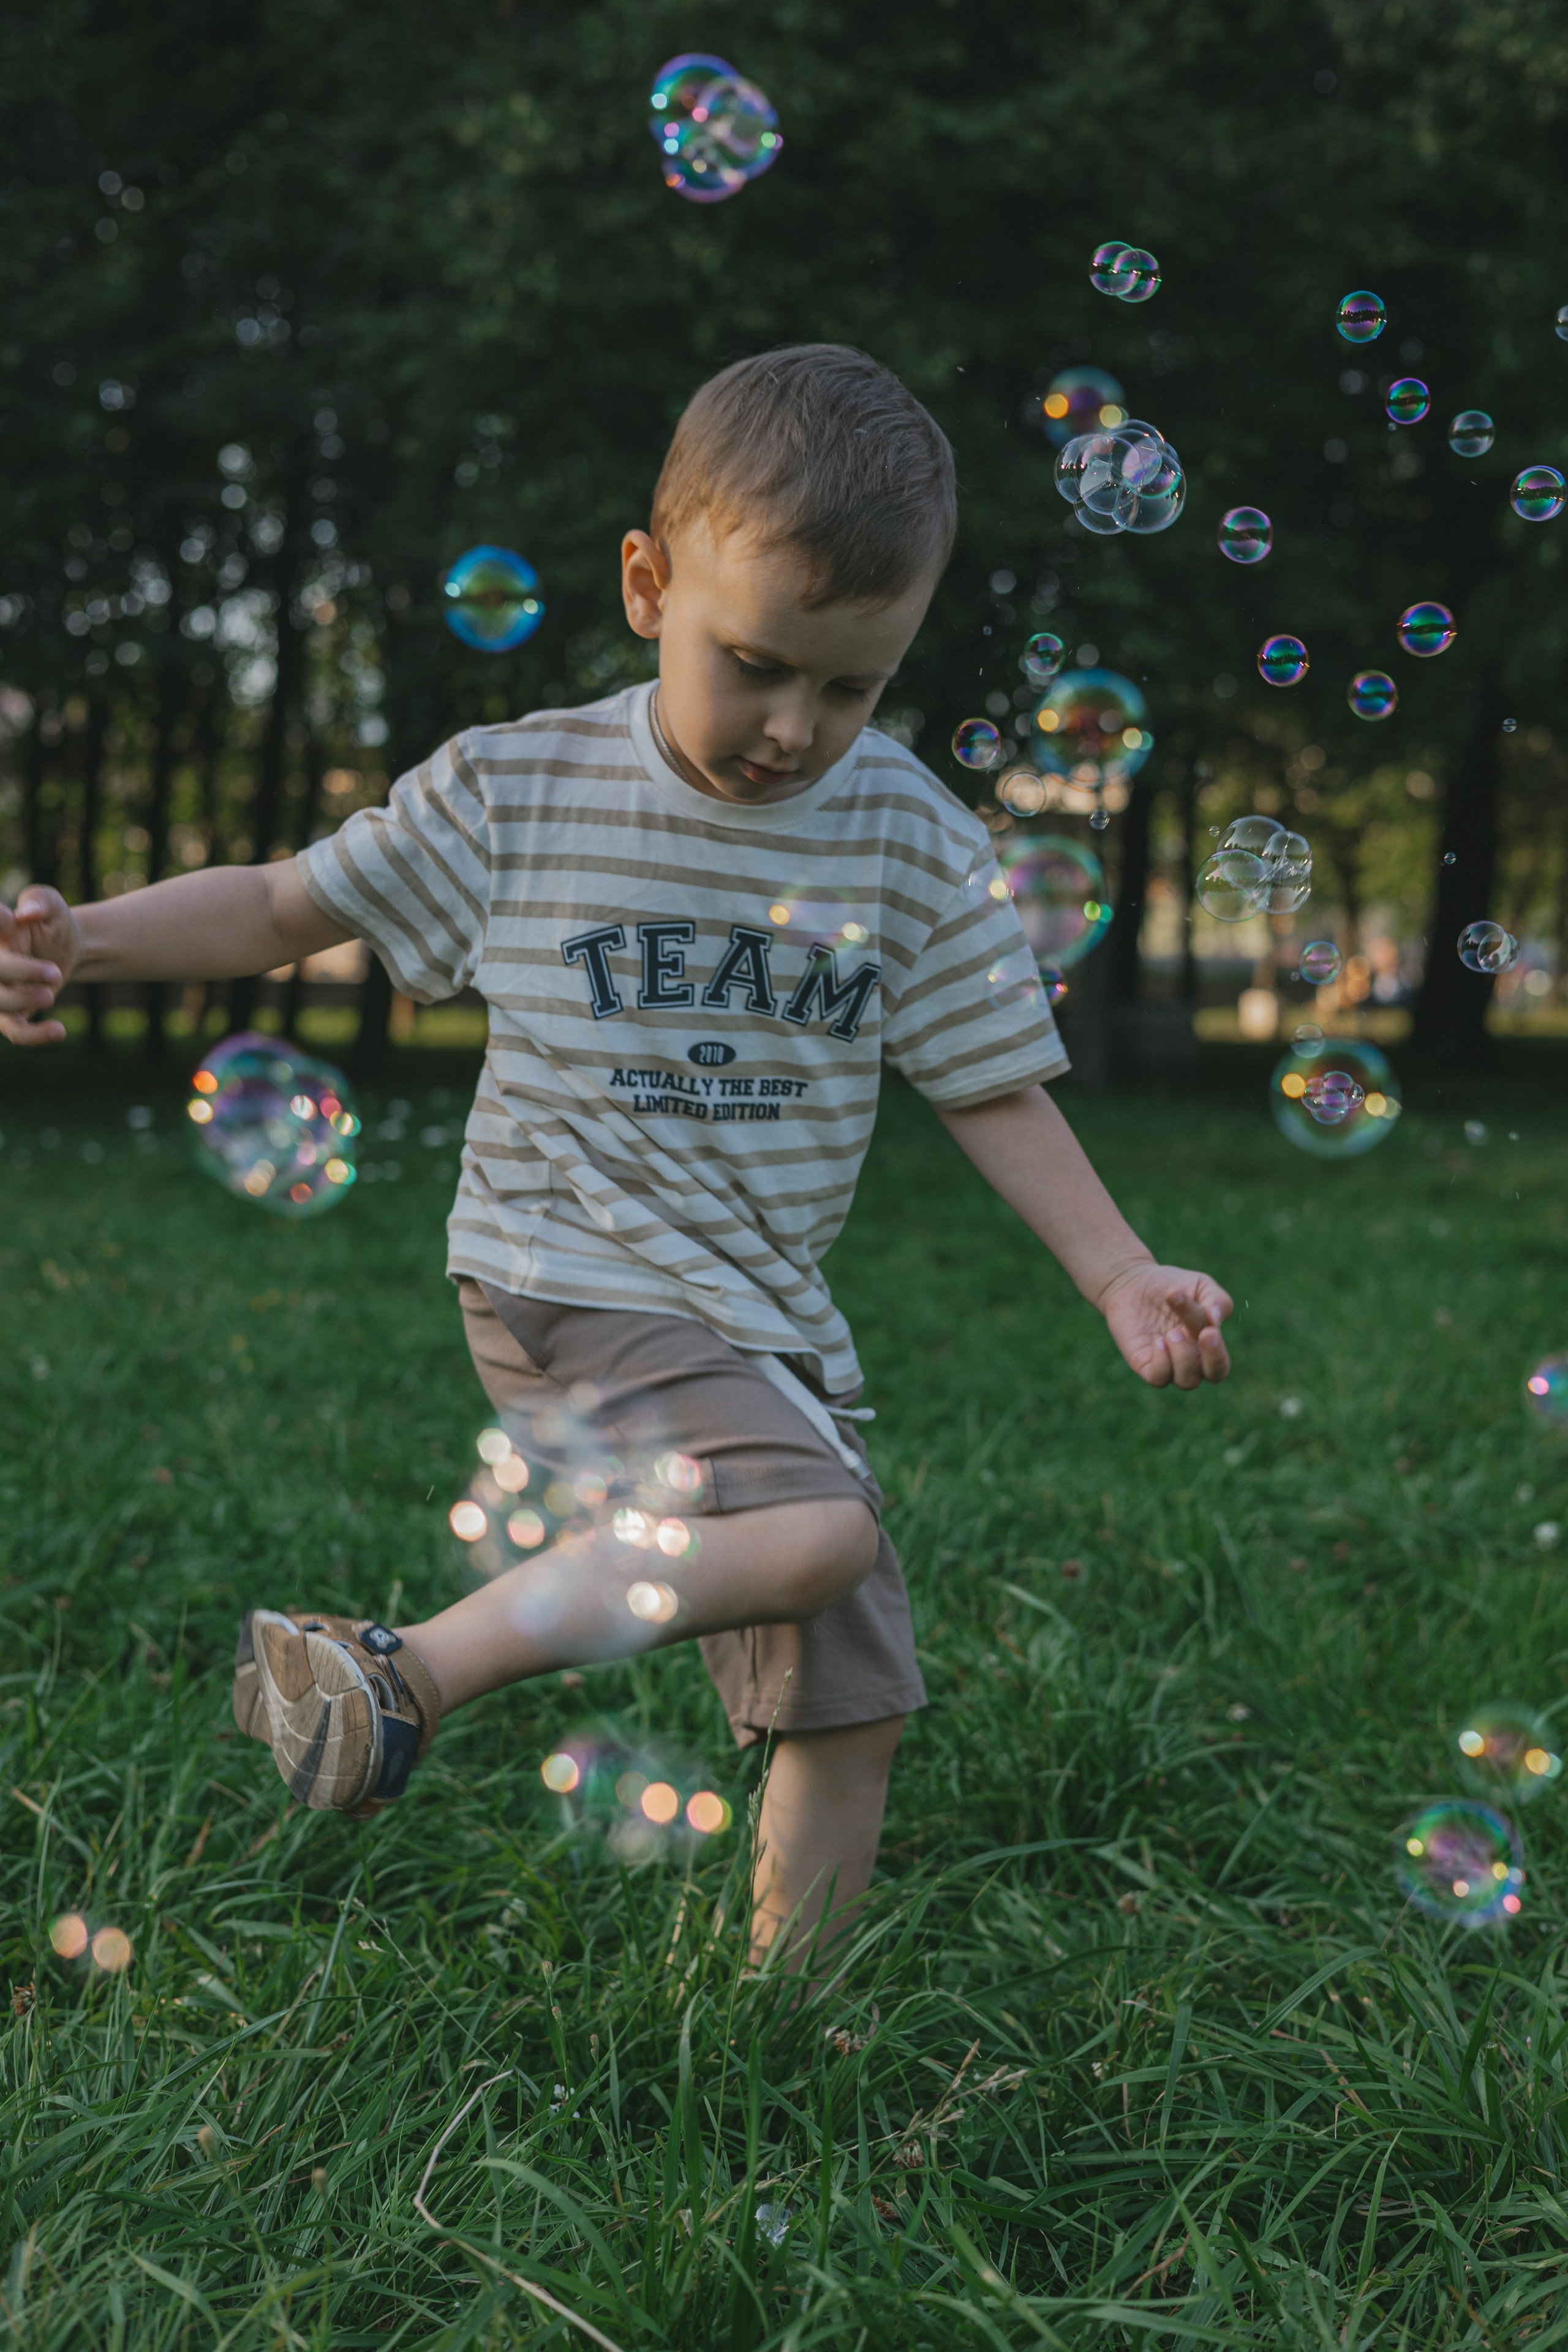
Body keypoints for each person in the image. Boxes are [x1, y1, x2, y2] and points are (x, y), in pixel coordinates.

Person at [0, 344, 1232, 1967]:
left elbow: (993, 1085)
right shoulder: (523, 791)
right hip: (563, 1266)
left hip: (759, 1322)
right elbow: (286, 904)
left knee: (849, 1683)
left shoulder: (911, 839)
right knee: (823, 1535)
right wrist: (82, 940)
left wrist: (1119, 1267)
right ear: (651, 586)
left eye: (851, 688)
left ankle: (785, 2025)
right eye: (759, 663)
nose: (797, 728)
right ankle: (401, 1671)